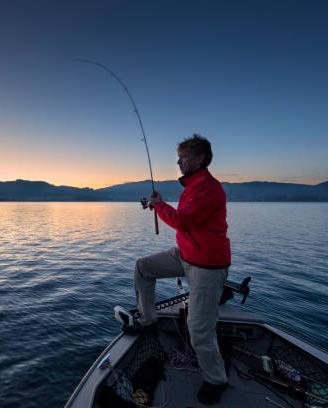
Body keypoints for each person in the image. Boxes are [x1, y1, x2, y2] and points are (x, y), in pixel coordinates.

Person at [121, 134, 231, 405]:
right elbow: (183, 220)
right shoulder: (192, 187)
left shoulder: (208, 187)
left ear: (200, 158)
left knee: (199, 328)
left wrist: (159, 206)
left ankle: (216, 380)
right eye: (178, 157)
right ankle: (148, 320)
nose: (178, 162)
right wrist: (159, 206)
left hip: (207, 265)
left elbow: (184, 221)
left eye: (183, 157)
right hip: (186, 256)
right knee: (143, 268)